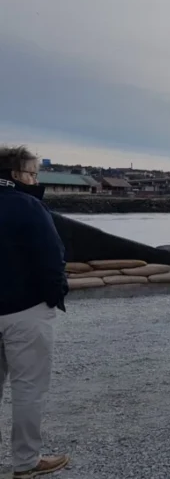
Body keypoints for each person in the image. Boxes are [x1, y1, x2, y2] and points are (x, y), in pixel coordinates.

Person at [0, 146, 70, 477]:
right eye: (32, 173)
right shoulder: (29, 206)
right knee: (28, 388)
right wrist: (55, 295)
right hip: (25, 310)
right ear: (15, 174)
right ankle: (26, 461)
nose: (35, 180)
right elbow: (51, 257)